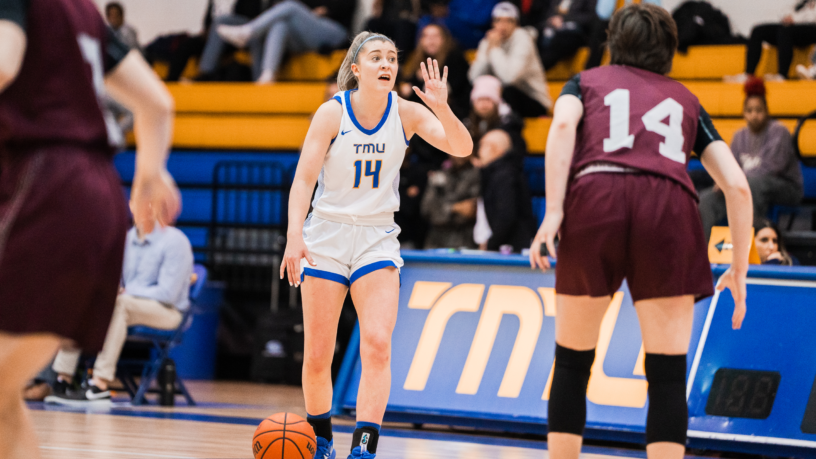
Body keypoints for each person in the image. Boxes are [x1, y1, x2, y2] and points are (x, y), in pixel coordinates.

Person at [528, 5, 752, 459]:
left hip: (597, 195)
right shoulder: (688, 100)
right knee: (667, 373)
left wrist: (553, 211)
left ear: (613, 43)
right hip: (669, 206)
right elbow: (738, 186)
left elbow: (564, 124)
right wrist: (740, 272)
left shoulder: (585, 82)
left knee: (572, 362)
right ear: (669, 49)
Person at [0, 0, 180, 457]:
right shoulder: (80, 10)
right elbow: (158, 103)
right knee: (4, 397)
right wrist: (149, 174)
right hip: (97, 191)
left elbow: (3, 63)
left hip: (45, 183)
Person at [280, 32, 472, 459]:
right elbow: (303, 180)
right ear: (356, 68)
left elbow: (463, 147)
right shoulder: (331, 114)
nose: (386, 64)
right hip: (326, 236)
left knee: (378, 344)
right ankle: (321, 440)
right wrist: (295, 236)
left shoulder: (406, 113)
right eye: (376, 58)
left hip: (376, 237)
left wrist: (440, 106)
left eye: (391, 58)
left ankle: (364, 448)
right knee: (317, 355)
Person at [45, 205, 193, 405]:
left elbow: (168, 294)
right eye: (139, 201)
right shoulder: (127, 239)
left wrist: (127, 292)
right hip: (129, 305)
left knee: (120, 304)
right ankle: (63, 380)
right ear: (132, 204)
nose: (144, 208)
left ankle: (99, 384)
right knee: (85, 302)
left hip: (169, 312)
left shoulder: (175, 241)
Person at [698, 77, 803, 241]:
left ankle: (753, 246)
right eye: (750, 111)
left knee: (754, 184)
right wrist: (724, 180)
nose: (754, 115)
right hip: (748, 186)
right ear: (744, 113)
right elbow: (730, 166)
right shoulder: (739, 136)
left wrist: (735, 178)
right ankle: (705, 257)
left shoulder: (779, 131)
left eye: (759, 110)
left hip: (786, 188)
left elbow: (772, 168)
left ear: (766, 111)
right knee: (707, 199)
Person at [216, 0, 353, 84]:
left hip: (335, 31)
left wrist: (321, 11)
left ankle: (248, 31)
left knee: (291, 6)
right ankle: (268, 74)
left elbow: (345, 6)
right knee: (280, 25)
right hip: (305, 33)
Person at [468, 2, 552, 117]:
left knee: (508, 91)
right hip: (502, 97)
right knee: (478, 94)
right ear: (493, 23)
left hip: (534, 100)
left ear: (516, 24)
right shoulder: (488, 41)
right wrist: (487, 54)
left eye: (509, 21)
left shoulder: (523, 39)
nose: (503, 25)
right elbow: (474, 79)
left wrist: (494, 49)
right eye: (498, 20)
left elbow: (509, 78)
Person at [726, 0, 816, 82]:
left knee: (785, 30)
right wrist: (787, 17)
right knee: (758, 31)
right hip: (791, 27)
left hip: (810, 29)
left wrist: (795, 19)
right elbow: (785, 10)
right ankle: (749, 74)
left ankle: (782, 75)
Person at [475, 129, 535, 252]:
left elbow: (506, 216)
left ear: (496, 149)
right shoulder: (499, 173)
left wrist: (491, 244)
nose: (479, 151)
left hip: (512, 250)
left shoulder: (504, 176)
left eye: (482, 145)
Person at [400, 23, 471, 119]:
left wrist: (421, 81)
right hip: (423, 112)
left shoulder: (455, 58)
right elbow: (408, 85)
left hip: (454, 111)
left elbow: (454, 88)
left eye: (435, 36)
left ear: (444, 39)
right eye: (426, 36)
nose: (431, 41)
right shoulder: (416, 60)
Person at [464, 74, 527, 165]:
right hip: (471, 172)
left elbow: (516, 153)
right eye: (479, 100)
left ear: (496, 102)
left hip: (499, 169)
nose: (483, 105)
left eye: (487, 99)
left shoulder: (509, 124)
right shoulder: (468, 124)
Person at [421, 155, 480, 249]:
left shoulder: (479, 177)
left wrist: (442, 208)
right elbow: (427, 210)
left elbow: (471, 211)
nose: (458, 154)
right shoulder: (438, 175)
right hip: (436, 243)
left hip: (465, 243)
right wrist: (454, 208)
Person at [585, 0, 661, 69]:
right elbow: (603, 14)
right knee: (599, 27)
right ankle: (592, 69)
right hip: (613, 27)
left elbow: (655, 15)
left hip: (638, 29)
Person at [537, 0, 596, 70]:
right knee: (533, 35)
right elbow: (547, 14)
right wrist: (551, 20)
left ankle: (537, 69)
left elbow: (591, 17)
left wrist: (564, 19)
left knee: (559, 40)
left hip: (575, 32)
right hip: (550, 30)